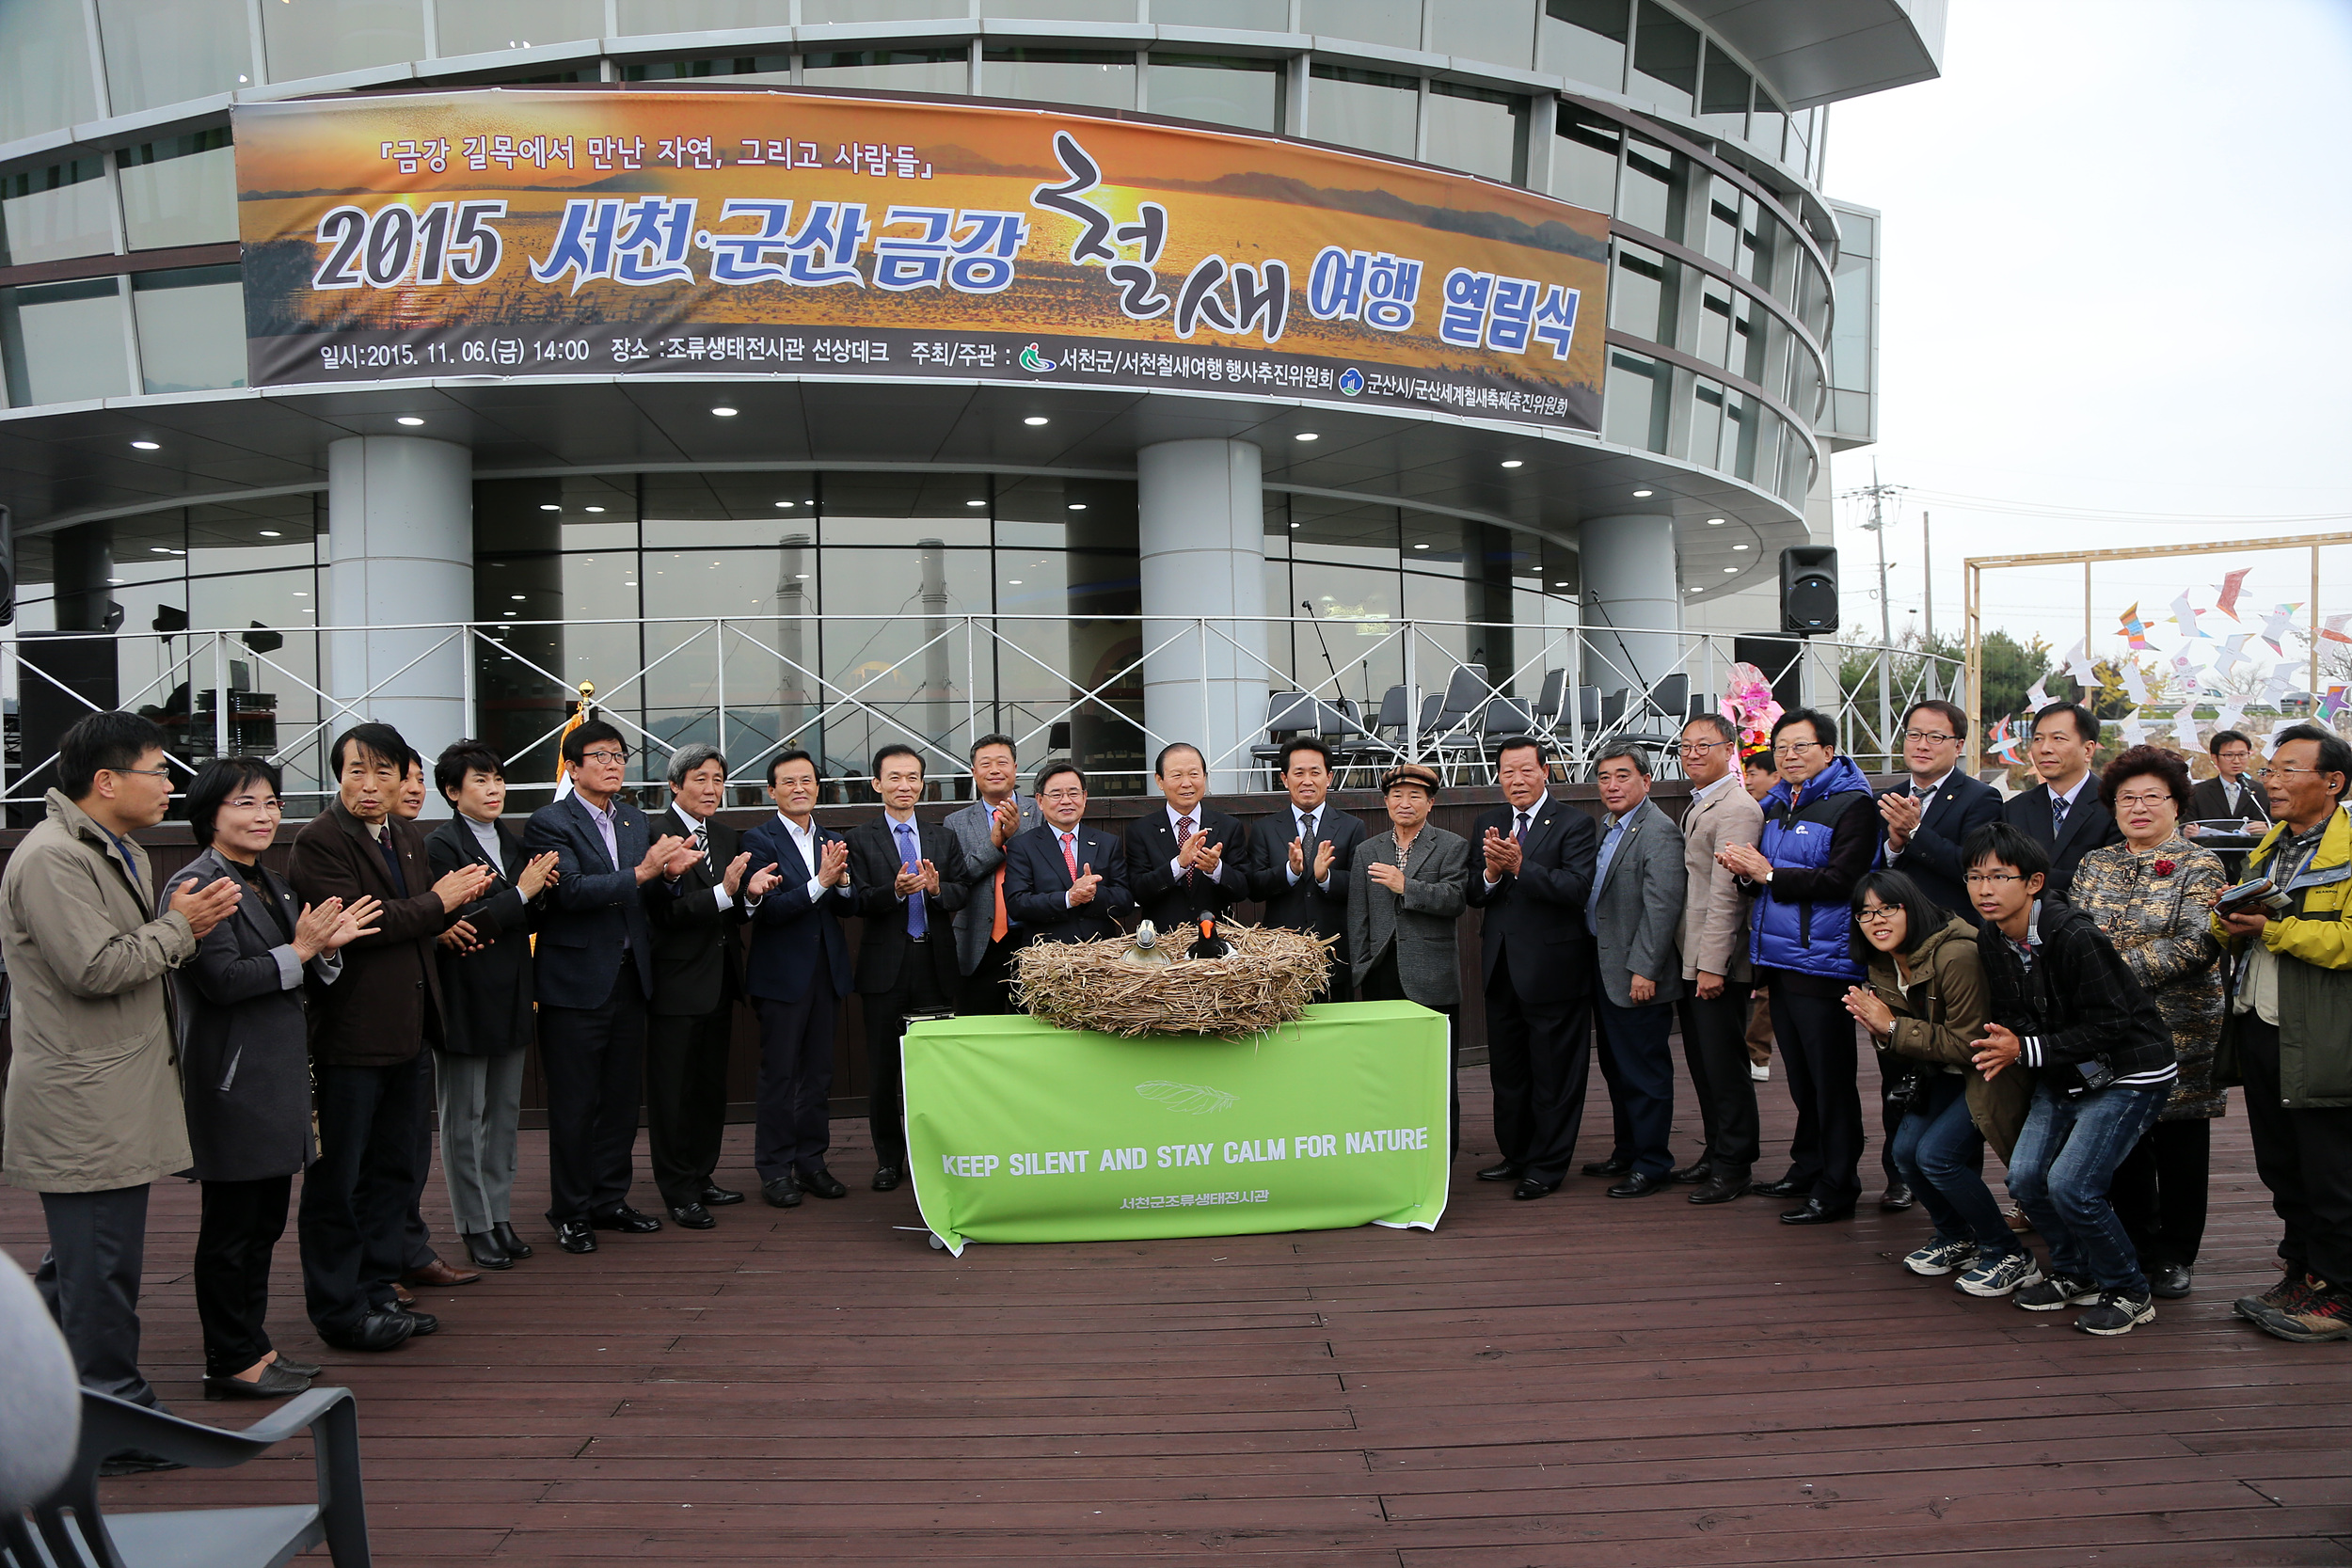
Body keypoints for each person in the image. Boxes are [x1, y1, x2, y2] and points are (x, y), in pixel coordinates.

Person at [1, 711, 242, 1419]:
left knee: (78, 1266)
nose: (172, 782)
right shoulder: (53, 857)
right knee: (99, 1267)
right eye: (160, 769)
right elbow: (95, 967)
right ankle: (111, 1413)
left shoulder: (110, 847)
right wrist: (184, 926)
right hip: (85, 1099)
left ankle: (38, 1392)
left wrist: (177, 928)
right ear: (106, 781)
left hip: (110, 1093)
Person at [167, 758, 376, 1399]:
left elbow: (303, 968)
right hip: (234, 1082)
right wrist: (306, 949)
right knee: (233, 1229)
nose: (263, 816)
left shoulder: (270, 883)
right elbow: (225, 981)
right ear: (210, 813)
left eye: (270, 803)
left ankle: (252, 1345)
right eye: (245, 803)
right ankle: (230, 1360)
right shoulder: (199, 883)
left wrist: (328, 946)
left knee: (262, 1223)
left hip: (273, 1078)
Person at [290, 722, 492, 1351]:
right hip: (350, 1036)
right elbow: (362, 923)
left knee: (394, 1171)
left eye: (385, 771)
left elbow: (415, 921)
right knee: (341, 1179)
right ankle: (340, 1307)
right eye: (357, 771)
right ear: (338, 775)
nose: (370, 784)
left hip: (409, 1030)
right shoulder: (318, 841)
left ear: (406, 775)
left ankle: (379, 1289)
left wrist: (438, 909)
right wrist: (439, 903)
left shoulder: (405, 833)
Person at [1967, 820, 2176, 1336]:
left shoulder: (2074, 933)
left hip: (2131, 1070)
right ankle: (2076, 1271)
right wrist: (2011, 1045)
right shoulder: (1993, 938)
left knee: (2072, 1185)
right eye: (1974, 877)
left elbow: (2112, 1022)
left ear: (2033, 883)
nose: (1984, 890)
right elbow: (2015, 1015)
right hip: (2065, 1069)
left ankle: (2129, 1291)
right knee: (2025, 1178)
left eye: (1998, 876)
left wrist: (2026, 1049)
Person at [523, 721, 696, 1254]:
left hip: (630, 977)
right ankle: (571, 1212)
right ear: (572, 767)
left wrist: (666, 876)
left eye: (620, 755)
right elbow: (570, 891)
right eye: (600, 755)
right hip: (574, 984)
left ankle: (609, 1199)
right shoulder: (549, 822)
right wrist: (646, 873)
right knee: (576, 1104)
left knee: (622, 1100)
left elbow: (644, 893)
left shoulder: (632, 818)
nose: (613, 763)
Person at [2071, 745, 2227, 1302]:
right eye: (2126, 798)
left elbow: (2195, 945)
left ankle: (2177, 1255)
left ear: (2177, 804)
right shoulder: (2095, 863)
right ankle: (2134, 1244)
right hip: (2112, 1032)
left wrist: (2105, 973)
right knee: (2125, 1141)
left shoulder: (2201, 864)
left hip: (2179, 1028)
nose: (2138, 808)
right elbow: (2074, 935)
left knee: (2182, 1145)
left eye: (2151, 798)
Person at [2214, 723, 2352, 1342]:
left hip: (2323, 1030)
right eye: (2270, 769)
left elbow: (2346, 941)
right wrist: (2227, 916)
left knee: (2331, 1164)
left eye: (2287, 769)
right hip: (2261, 1018)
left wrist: (2272, 930)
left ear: (2333, 781)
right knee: (2280, 1159)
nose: (2271, 780)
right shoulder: (2272, 842)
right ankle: (2302, 1271)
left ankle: (2339, 1288)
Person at [1840, 871, 2036, 1297]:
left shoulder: (1957, 954)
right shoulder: (1883, 961)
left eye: (1888, 908)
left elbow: (1970, 1044)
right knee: (1905, 1154)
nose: (1876, 920)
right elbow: (1903, 1045)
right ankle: (1957, 1238)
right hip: (1939, 1073)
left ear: (1912, 906)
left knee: (1937, 1157)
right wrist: (1883, 1032)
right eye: (1865, 913)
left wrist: (1891, 1027)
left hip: (1991, 1070)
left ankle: (2008, 1252)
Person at [1718, 709, 1877, 1225]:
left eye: (1801, 747)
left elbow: (1845, 881)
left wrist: (1768, 874)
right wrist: (1746, 874)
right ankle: (1807, 1168)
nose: (1789, 756)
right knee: (1802, 1079)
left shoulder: (1852, 805)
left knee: (1830, 1080)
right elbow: (1769, 881)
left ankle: (1838, 1186)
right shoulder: (1777, 804)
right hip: (1780, 960)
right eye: (1782, 747)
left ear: (1829, 752)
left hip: (1824, 963)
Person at [425, 741, 559, 1270]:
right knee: (464, 1117)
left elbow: (520, 914)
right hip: (462, 996)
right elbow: (461, 921)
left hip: (510, 991)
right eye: (480, 780)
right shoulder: (440, 846)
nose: (494, 789)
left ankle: (500, 1216)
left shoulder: (514, 843)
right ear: (453, 792)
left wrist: (537, 894)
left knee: (503, 1115)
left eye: (498, 778)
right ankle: (472, 1224)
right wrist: (522, 895)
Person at [1461, 740, 1596, 1199]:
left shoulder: (1575, 824)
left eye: (1525, 770)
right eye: (1506, 772)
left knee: (1554, 1074)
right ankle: (1515, 1154)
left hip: (1553, 972)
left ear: (1545, 771)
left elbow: (1577, 889)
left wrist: (1520, 866)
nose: (1515, 779)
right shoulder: (1487, 822)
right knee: (1509, 1073)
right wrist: (1492, 876)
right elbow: (1474, 895)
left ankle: (1548, 1165)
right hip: (1501, 969)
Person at [847, 744, 969, 1194]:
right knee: (882, 1070)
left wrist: (937, 892)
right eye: (894, 778)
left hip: (933, 962)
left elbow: (961, 892)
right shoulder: (860, 838)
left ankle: (935, 1155)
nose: (905, 786)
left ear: (923, 783)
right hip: (884, 967)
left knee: (935, 1065)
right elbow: (855, 900)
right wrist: (894, 892)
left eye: (913, 777)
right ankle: (887, 1160)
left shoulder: (942, 837)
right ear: (877, 784)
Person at [644, 743, 752, 1229]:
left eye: (718, 780)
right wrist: (724, 893)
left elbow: (732, 909)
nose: (712, 789)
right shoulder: (653, 834)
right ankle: (678, 1189)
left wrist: (746, 897)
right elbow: (661, 914)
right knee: (673, 1092)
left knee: (710, 1089)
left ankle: (703, 1175)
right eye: (700, 779)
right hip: (674, 983)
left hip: (721, 979)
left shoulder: (727, 836)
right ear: (674, 785)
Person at [739, 750, 853, 1210]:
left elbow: (847, 907)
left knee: (818, 1074)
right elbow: (768, 911)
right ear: (772, 791)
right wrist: (822, 882)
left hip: (826, 973)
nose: (799, 788)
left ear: (818, 787)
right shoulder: (759, 840)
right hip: (782, 976)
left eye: (807, 780)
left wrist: (843, 883)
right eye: (789, 782)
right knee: (779, 1076)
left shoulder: (831, 838)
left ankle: (811, 1162)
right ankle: (774, 1169)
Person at [1581, 746, 1688, 1198]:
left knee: (1645, 1071)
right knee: (1617, 1067)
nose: (1612, 786)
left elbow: (1662, 908)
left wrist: (1644, 970)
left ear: (1647, 780)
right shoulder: (1608, 828)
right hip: (1605, 968)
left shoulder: (1658, 831)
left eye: (1622, 776)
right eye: (1604, 778)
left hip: (1636, 974)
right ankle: (1627, 1150)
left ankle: (1652, 1162)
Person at [1349, 763, 1470, 1156]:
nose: (1405, 803)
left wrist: (1407, 886)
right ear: (1385, 802)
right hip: (1381, 973)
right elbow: (1358, 916)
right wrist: (1361, 964)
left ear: (1430, 803)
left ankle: (1441, 1155)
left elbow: (1455, 901)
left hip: (1432, 976)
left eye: (1415, 795)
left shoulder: (1451, 845)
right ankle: (1393, 1148)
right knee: (1387, 1070)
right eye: (1397, 795)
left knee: (1436, 1072)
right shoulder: (1368, 850)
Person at [389, 756, 475, 1294]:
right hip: (373, 1022)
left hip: (420, 1014)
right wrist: (436, 918)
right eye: (408, 777)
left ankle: (408, 1248)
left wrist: (438, 926)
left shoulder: (411, 842)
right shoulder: (348, 845)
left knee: (411, 1147)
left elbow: (432, 916)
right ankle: (378, 1263)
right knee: (376, 1154)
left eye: (420, 778)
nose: (415, 788)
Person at [1674, 714, 1765, 1204]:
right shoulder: (1703, 801)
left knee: (1725, 1066)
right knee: (1704, 1063)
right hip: (1692, 956)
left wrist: (1711, 965)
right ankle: (1715, 1150)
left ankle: (1734, 1164)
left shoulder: (1737, 808)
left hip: (1716, 962)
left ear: (1729, 749)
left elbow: (1729, 897)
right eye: (1684, 745)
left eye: (1702, 745)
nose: (1691, 754)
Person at [1242, 736, 1365, 1005]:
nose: (1307, 780)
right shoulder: (1265, 828)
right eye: (1298, 773)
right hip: (1280, 959)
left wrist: (1325, 877)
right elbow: (1253, 886)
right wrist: (1290, 871)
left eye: (1315, 772)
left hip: (1335, 955)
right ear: (1285, 779)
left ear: (1329, 777)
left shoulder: (1352, 826)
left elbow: (1360, 886)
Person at [943, 734, 1041, 1014]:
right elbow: (959, 877)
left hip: (1031, 937)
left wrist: (1015, 833)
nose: (995, 770)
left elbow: (1047, 865)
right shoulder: (956, 822)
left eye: (1002, 762)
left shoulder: (1040, 811)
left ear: (1015, 768)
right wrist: (994, 844)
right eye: (985, 764)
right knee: (978, 1028)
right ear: (974, 772)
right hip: (978, 940)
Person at [2001, 701, 2121, 902]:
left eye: (2058, 738)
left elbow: (2109, 880)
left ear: (2088, 750)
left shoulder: (2114, 806)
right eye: (2038, 739)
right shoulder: (2014, 809)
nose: (2045, 748)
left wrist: (2027, 879)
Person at [1124, 742, 1248, 936]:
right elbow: (1139, 891)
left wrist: (1216, 869)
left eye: (1194, 774)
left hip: (1216, 940)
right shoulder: (1141, 830)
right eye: (1177, 775)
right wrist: (1178, 865)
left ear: (1205, 777)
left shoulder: (1228, 827)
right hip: (1162, 942)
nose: (1187, 783)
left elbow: (1242, 889)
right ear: (1159, 780)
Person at [1004, 763, 1132, 944]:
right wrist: (1068, 898)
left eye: (1073, 793)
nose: (1066, 801)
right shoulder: (1022, 846)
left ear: (1084, 797)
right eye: (1056, 795)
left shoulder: (1108, 843)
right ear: (1040, 801)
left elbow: (1125, 901)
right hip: (1046, 957)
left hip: (1101, 956)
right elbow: (1017, 904)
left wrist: (1093, 894)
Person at [1740, 748, 1780, 1084]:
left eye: (1754, 773)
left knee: (1767, 988)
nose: (1748, 779)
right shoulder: (1754, 813)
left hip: (1775, 911)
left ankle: (1758, 1053)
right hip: (1755, 909)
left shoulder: (1777, 814)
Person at [2187, 728, 2272, 879]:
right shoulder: (2198, 792)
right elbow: (2187, 825)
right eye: (2229, 755)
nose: (2236, 761)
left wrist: (2269, 829)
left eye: (2242, 755)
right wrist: (2189, 831)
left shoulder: (2263, 790)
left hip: (2253, 868)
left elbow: (2279, 824)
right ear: (2215, 757)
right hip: (2209, 866)